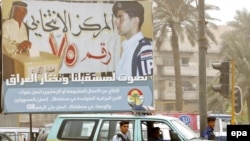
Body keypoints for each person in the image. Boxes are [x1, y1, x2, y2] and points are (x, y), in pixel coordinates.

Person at [112, 1, 153, 77]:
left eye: (120, 17)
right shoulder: (128, 48)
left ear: (135, 21)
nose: (116, 22)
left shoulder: (145, 49)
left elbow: (147, 87)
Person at [2, 1, 31, 80]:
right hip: (10, 61)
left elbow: (24, 42)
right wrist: (18, 46)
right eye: (19, 12)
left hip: (23, 60)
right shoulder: (6, 24)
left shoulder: (24, 26)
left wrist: (27, 45)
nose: (21, 14)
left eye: (23, 12)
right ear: (14, 11)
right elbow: (4, 42)